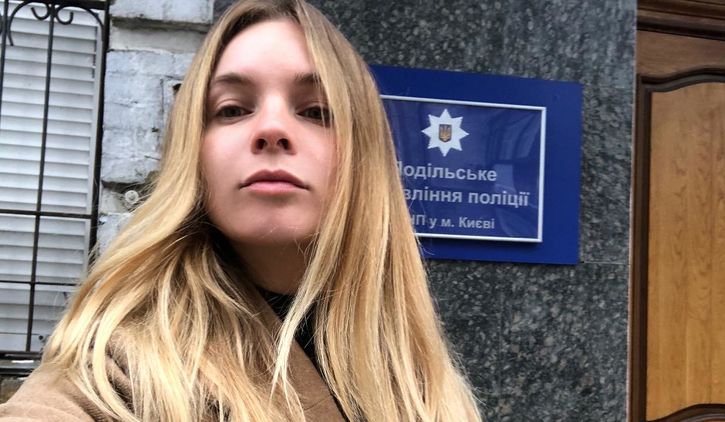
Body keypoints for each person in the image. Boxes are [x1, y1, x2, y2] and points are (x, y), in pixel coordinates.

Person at [0, 0, 481, 420]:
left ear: (364, 158)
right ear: (194, 154)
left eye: (315, 111)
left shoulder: (424, 379)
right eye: (232, 109)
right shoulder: (118, 365)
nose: (271, 128)